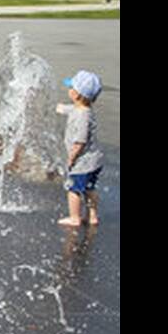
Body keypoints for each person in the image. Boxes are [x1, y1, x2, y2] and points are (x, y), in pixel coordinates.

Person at [55, 70, 104, 227]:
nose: (69, 89)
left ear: (76, 94)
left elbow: (80, 141)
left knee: (74, 189)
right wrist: (56, 107)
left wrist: (71, 158)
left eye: (71, 87)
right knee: (90, 188)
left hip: (82, 163)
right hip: (94, 161)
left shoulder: (82, 117)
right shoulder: (83, 110)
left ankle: (74, 218)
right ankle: (92, 216)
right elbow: (67, 109)